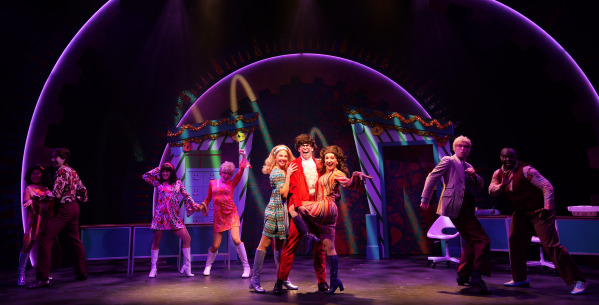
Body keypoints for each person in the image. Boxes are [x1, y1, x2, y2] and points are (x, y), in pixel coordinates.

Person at [489, 147, 588, 295]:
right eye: (505, 157)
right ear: (500, 158)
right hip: (521, 213)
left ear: (516, 157)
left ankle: (579, 280)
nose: (508, 160)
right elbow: (491, 191)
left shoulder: (527, 171)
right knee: (515, 241)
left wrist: (548, 207)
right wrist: (503, 185)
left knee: (551, 246)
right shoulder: (498, 174)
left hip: (540, 212)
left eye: (511, 157)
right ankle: (520, 278)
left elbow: (547, 187)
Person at [420, 136, 491, 294]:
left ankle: (463, 275)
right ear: (454, 148)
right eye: (460, 146)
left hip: (467, 207)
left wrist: (474, 175)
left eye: (466, 147)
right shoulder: (449, 161)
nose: (463, 149)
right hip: (456, 206)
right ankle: (477, 275)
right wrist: (425, 199)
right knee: (482, 239)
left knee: (472, 240)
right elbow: (432, 177)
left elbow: (480, 185)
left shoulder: (469, 166)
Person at [299, 145, 371, 294]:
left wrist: (356, 175)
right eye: (327, 158)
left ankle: (308, 236)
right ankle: (335, 280)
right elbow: (337, 192)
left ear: (337, 161)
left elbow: (348, 183)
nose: (329, 160)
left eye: (332, 158)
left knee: (296, 207)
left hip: (325, 206)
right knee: (329, 247)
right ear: (324, 161)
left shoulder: (336, 173)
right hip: (330, 212)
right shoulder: (326, 174)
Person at [273, 134, 327, 295]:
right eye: (302, 145)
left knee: (319, 247)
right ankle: (280, 281)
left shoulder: (320, 164)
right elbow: (294, 188)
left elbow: (327, 183)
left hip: (317, 208)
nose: (305, 147)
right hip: (299, 209)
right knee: (290, 246)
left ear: (312, 147)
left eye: (308, 145)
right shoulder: (294, 164)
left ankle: (322, 281)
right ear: (298, 148)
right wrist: (299, 206)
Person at [29, 148, 89, 288]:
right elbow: (83, 189)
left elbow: (56, 194)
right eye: (52, 157)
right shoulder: (72, 171)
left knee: (45, 238)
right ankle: (82, 272)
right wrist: (82, 198)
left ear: (64, 159)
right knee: (75, 240)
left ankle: (42, 279)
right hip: (74, 208)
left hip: (64, 210)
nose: (53, 159)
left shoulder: (61, 171)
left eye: (56, 157)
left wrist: (39, 197)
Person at [249, 145, 298, 293]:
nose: (283, 158)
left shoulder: (284, 170)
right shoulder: (277, 172)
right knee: (264, 244)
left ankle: (283, 278)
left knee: (279, 246)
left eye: (285, 156)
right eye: (280, 156)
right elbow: (283, 193)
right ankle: (254, 279)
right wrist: (289, 175)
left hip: (282, 212)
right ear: (275, 158)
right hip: (274, 211)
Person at [142, 162, 204, 278]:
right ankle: (153, 268)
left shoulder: (178, 183)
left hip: (174, 217)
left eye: (167, 171)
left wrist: (194, 205)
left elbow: (186, 196)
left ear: (171, 172)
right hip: (161, 216)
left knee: (187, 239)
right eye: (163, 171)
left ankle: (187, 266)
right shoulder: (158, 183)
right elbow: (145, 176)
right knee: (156, 243)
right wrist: (160, 168)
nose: (165, 173)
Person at [201, 149, 252, 278]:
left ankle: (246, 267)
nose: (226, 175)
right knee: (215, 245)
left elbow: (241, 170)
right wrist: (203, 205)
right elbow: (207, 199)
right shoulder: (212, 183)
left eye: (229, 173)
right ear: (220, 172)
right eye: (224, 173)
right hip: (218, 216)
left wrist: (244, 155)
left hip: (231, 213)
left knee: (236, 239)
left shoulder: (232, 183)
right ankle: (208, 265)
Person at [18, 165, 54, 286]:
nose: (35, 175)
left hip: (45, 221)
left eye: (38, 173)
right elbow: (25, 202)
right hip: (33, 222)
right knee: (26, 247)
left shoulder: (46, 189)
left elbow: (51, 202)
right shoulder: (28, 189)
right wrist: (30, 201)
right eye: (33, 173)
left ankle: (44, 273)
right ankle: (21, 275)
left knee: (44, 248)